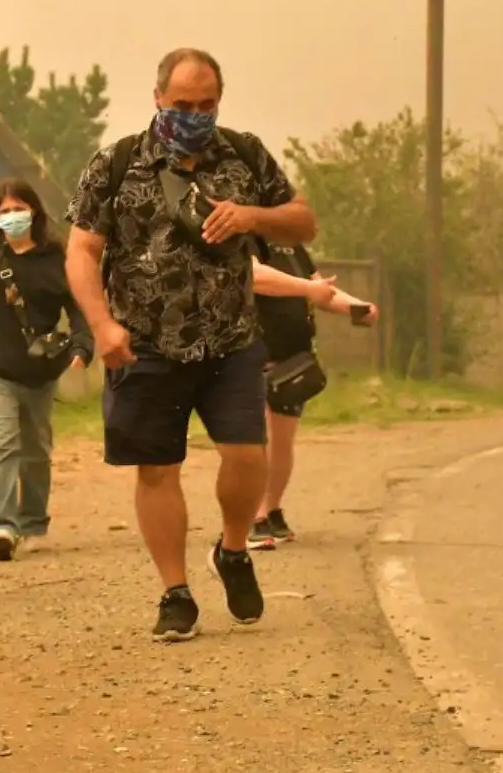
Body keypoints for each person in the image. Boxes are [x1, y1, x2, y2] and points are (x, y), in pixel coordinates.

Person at [66, 47, 317, 642]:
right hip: (146, 345)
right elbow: (80, 251)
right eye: (183, 105)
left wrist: (252, 215)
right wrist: (102, 325)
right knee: (157, 468)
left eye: (207, 104)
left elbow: (303, 221)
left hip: (230, 339)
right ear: (158, 98)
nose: (195, 115)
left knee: (246, 455)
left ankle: (233, 551)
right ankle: (174, 592)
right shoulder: (118, 164)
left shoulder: (246, 154)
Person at [0, 178, 92, 561]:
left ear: (35, 212)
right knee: (1, 441)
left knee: (35, 449)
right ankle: (3, 525)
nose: (12, 217)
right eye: (4, 211)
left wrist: (82, 346)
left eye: (18, 209)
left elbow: (79, 307)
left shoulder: (55, 259)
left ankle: (32, 521)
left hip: (39, 372)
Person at [247, 248, 377, 550]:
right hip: (252, 357)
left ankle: (273, 508)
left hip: (293, 361)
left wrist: (357, 307)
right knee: (257, 439)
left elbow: (323, 290)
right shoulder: (245, 237)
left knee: (282, 442)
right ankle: (254, 516)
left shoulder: (292, 248)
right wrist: (307, 288)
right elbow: (255, 278)